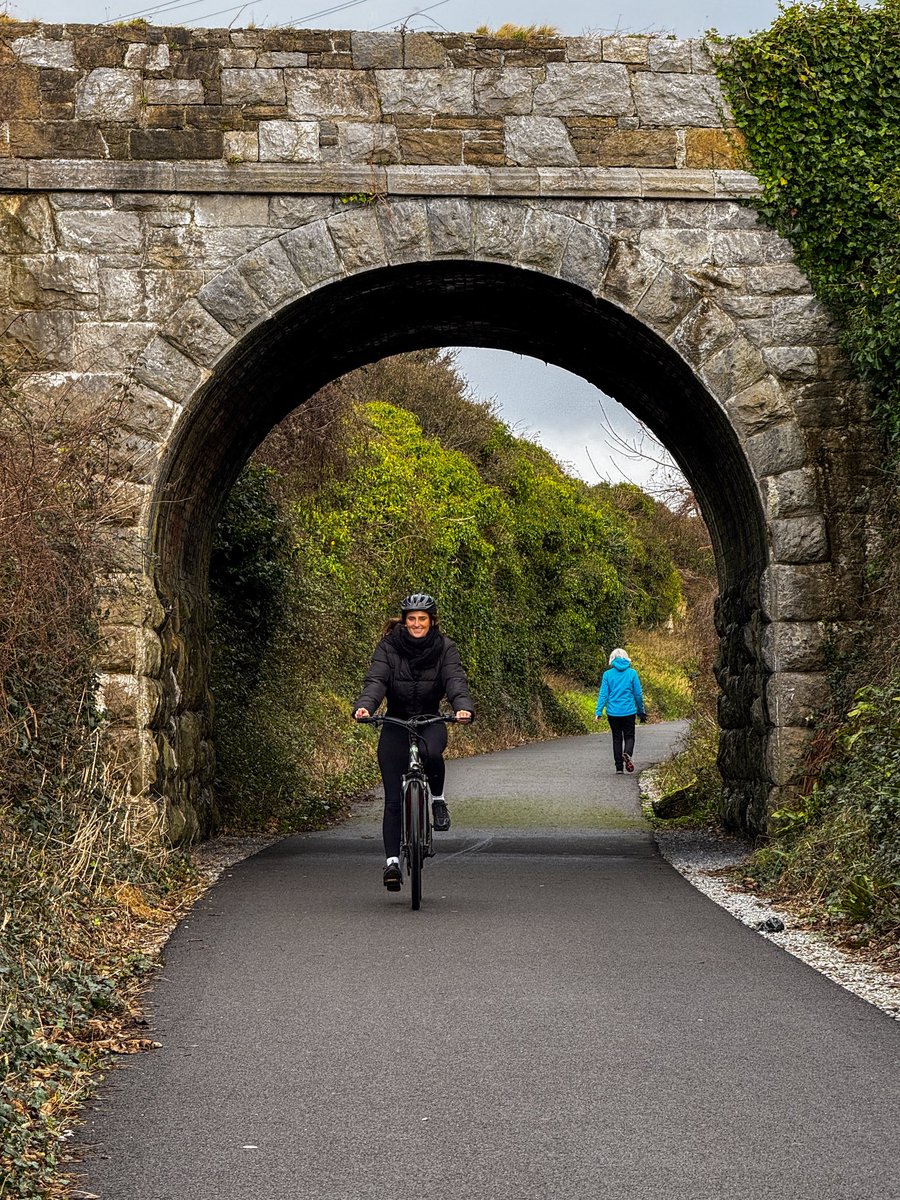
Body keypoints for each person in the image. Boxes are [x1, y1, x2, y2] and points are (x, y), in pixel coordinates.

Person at [353, 592, 474, 892]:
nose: (417, 624)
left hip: (430, 719)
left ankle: (437, 800)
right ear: (404, 621)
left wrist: (463, 707)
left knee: (431, 753)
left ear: (432, 621)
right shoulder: (388, 647)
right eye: (412, 619)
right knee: (393, 800)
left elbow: (455, 680)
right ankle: (392, 863)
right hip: (396, 721)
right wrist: (366, 706)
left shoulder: (445, 648)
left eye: (422, 619)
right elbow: (377, 680)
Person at [594, 647, 647, 774]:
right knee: (629, 736)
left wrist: (598, 711)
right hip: (629, 711)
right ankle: (627, 754)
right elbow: (638, 694)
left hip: (613, 712)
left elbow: (603, 694)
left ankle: (619, 768)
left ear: (612, 659)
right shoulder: (632, 673)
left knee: (617, 738)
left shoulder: (607, 674)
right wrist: (641, 710)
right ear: (626, 658)